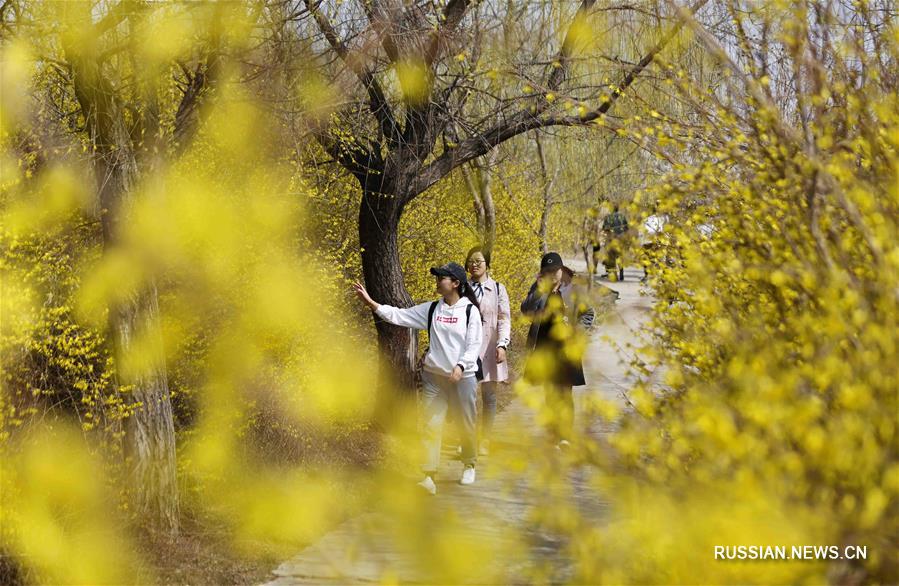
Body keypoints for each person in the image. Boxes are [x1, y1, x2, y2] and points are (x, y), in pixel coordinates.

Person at [353, 262, 483, 495]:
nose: (437, 280)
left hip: (463, 377)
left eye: (442, 277)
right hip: (434, 377)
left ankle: (469, 464)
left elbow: (474, 344)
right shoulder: (433, 309)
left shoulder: (469, 311)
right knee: (431, 425)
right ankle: (428, 476)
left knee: (466, 422)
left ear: (455, 283)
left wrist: (461, 366)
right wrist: (372, 304)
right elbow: (401, 316)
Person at [520, 253, 592, 449]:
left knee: (565, 393)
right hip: (544, 349)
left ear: (562, 270)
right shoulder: (538, 289)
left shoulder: (573, 290)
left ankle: (565, 436)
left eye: (555, 271)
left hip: (567, 350)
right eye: (548, 271)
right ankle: (552, 434)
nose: (552, 274)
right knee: (550, 394)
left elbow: (588, 313)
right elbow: (525, 310)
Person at [465, 245, 511, 456]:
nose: (474, 265)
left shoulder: (498, 289)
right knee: (467, 396)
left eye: (478, 261)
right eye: (471, 261)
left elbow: (504, 319)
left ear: (487, 265)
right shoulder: (462, 288)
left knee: (489, 397)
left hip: (490, 347)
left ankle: (485, 439)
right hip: (468, 348)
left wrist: (502, 344)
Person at [601, 204, 630, 282]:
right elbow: (627, 229)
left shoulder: (608, 217)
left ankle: (614, 275)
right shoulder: (622, 217)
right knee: (619, 257)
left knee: (611, 257)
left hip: (611, 239)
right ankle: (621, 273)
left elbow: (605, 229)